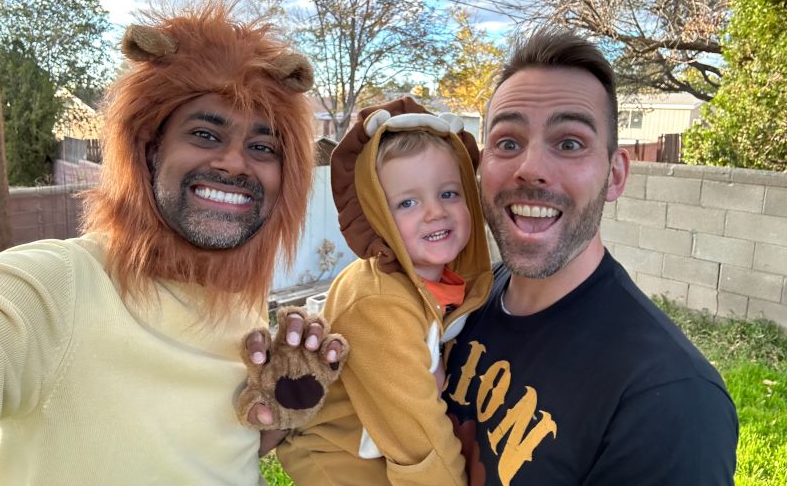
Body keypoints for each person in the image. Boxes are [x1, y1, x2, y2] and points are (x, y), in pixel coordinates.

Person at [0, 0, 345, 486]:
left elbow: (211, 453)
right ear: (149, 149)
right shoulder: (53, 288)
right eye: (205, 134)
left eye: (262, 146)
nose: (235, 163)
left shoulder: (240, 303)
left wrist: (282, 402)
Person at [442, 26, 739, 485]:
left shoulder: (671, 404)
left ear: (615, 175)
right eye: (508, 142)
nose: (531, 169)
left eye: (569, 143)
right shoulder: (465, 303)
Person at [277, 97, 493, 485]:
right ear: (374, 214)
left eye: (449, 193)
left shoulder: (434, 282)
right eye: (407, 202)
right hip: (340, 459)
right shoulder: (379, 303)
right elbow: (418, 439)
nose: (435, 212)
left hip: (377, 447)